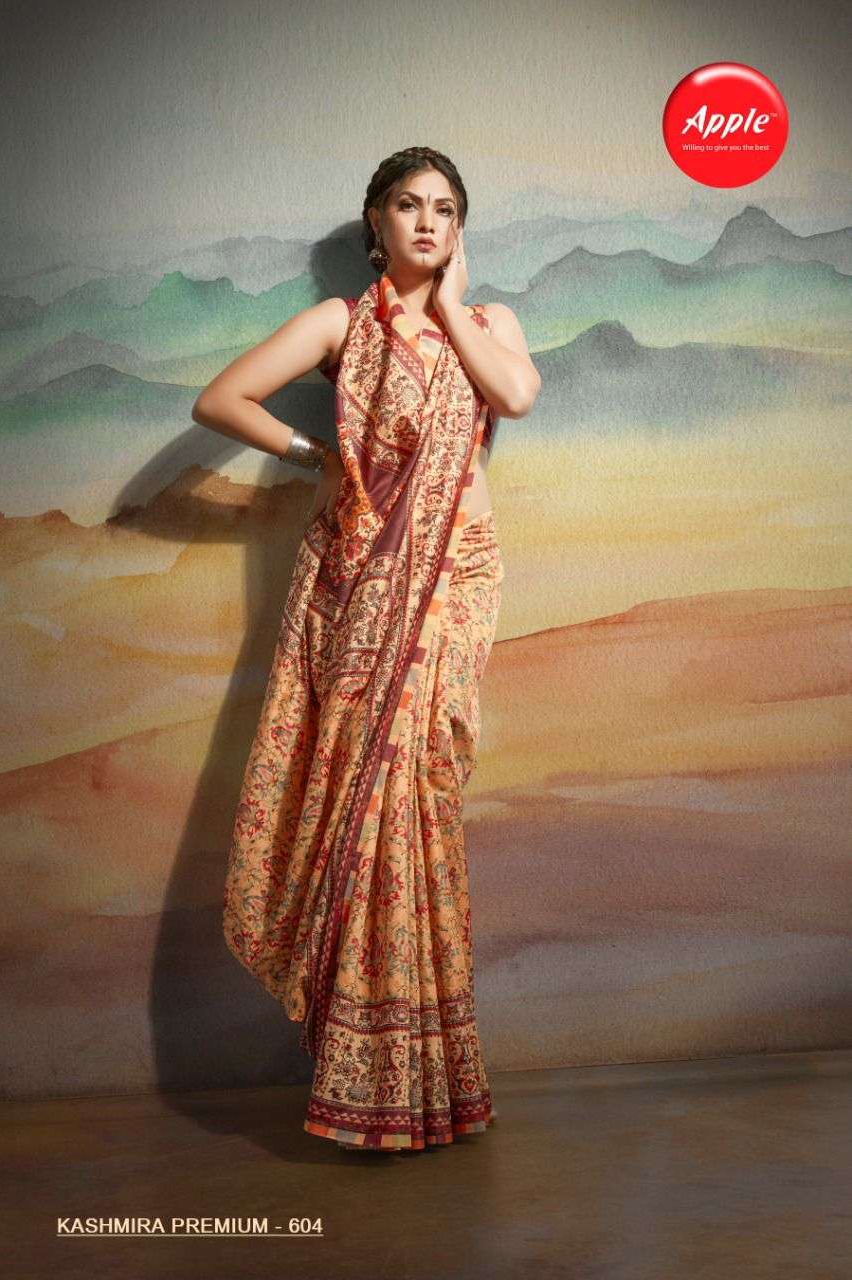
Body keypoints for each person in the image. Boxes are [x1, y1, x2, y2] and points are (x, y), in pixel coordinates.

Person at [192, 146, 540, 1153]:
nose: (426, 222)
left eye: (444, 208)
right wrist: (319, 458)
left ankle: (433, 1070)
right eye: (407, 205)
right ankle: (365, 1071)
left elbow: (514, 397)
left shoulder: (489, 324)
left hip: (456, 579)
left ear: (459, 228)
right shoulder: (341, 324)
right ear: (375, 223)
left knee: (422, 797)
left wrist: (450, 309)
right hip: (365, 586)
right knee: (369, 802)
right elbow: (221, 400)